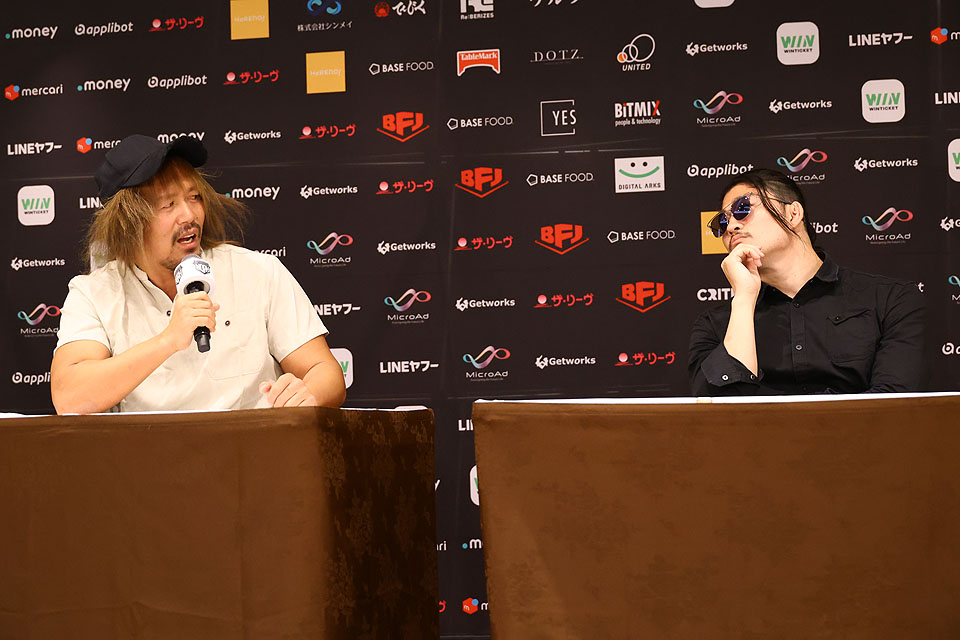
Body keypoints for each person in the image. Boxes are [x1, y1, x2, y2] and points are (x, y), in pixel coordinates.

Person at [51, 134, 346, 413]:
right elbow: (69, 398)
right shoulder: (94, 293)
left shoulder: (258, 272)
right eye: (169, 204)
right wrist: (168, 340)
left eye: (194, 197)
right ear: (127, 224)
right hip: (151, 449)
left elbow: (325, 372)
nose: (190, 215)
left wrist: (309, 394)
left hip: (254, 446)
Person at [688, 168, 924, 395]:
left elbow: (894, 402)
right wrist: (743, 300)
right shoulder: (715, 325)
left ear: (793, 214)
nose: (731, 227)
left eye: (743, 208)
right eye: (721, 222)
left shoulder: (891, 300)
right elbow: (722, 411)